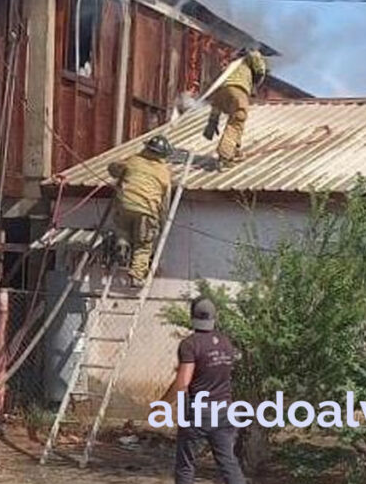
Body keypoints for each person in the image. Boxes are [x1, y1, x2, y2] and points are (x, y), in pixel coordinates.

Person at [165, 297, 245, 484]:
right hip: (225, 410)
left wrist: (163, 403)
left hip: (199, 411)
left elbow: (183, 381)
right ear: (214, 317)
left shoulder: (190, 344)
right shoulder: (226, 343)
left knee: (186, 465)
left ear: (192, 316)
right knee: (228, 463)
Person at [107, 135, 173, 288]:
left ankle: (122, 244)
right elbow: (165, 202)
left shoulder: (133, 160)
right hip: (147, 211)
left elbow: (113, 169)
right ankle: (136, 276)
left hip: (124, 204)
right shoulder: (164, 173)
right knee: (143, 244)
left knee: (123, 229)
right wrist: (163, 222)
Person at [203, 49, 267, 170]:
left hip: (221, 91)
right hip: (238, 90)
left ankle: (235, 150)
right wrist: (256, 83)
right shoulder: (251, 59)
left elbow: (217, 101)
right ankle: (225, 157)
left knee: (237, 120)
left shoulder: (231, 65)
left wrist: (213, 120)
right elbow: (260, 70)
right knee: (238, 119)